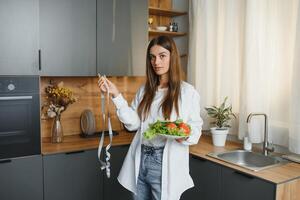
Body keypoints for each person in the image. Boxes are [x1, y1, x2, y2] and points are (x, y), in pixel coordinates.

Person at [98, 36, 203, 200]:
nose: (157, 62)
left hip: (164, 163)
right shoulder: (145, 90)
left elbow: (195, 130)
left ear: (172, 56)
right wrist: (116, 95)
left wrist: (184, 136)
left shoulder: (187, 92)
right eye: (152, 57)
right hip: (141, 159)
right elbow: (133, 124)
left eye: (162, 56)